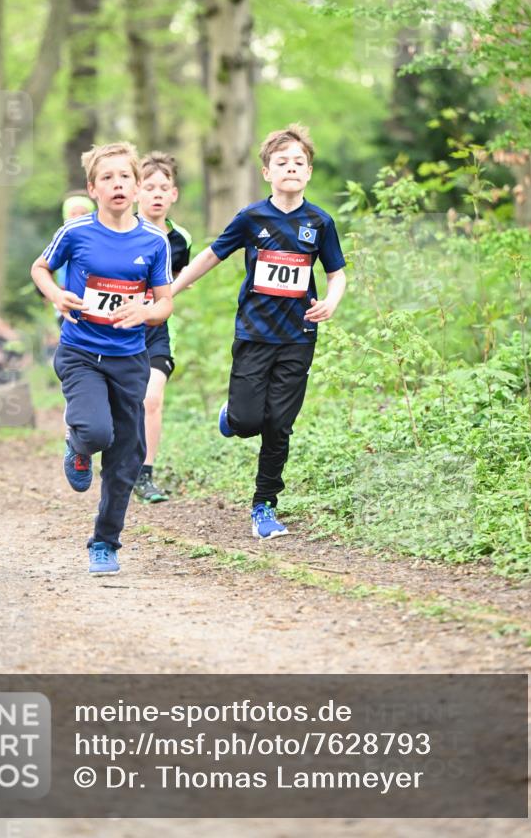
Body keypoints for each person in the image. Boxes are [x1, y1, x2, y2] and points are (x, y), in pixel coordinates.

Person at [171, 124, 346, 540]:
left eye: (298, 162)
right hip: (253, 334)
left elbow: (336, 273)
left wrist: (332, 301)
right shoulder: (251, 218)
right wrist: (171, 291)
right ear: (266, 172)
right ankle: (231, 418)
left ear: (308, 172)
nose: (291, 168)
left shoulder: (320, 222)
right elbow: (212, 255)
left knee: (279, 426)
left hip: (298, 337)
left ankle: (264, 505)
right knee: (249, 420)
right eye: (281, 162)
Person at [30, 142, 173, 576]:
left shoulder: (154, 241)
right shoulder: (75, 232)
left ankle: (105, 542)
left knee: (127, 457)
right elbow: (40, 268)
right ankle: (78, 446)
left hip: (130, 358)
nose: (117, 184)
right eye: (107, 178)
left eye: (124, 177)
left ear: (135, 185)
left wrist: (145, 311)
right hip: (80, 353)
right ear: (93, 188)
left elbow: (165, 301)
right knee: (95, 431)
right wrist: (56, 295)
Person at [134, 151, 192, 503]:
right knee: (119, 404)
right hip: (115, 328)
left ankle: (145, 475)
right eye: (150, 187)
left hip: (156, 329)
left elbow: (181, 277)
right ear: (138, 190)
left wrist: (161, 299)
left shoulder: (181, 240)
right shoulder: (122, 230)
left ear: (174, 194)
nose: (157, 194)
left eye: (164, 187)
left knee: (152, 399)